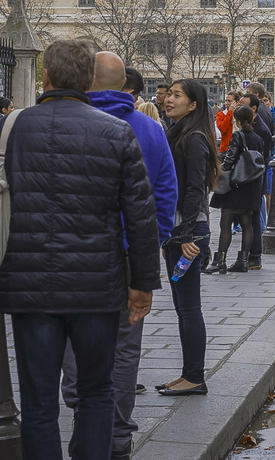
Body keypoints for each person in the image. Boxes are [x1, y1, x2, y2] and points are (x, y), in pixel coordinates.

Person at [0, 39, 161, 459]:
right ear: (89, 80)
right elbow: (141, 214)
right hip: (96, 285)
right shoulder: (116, 131)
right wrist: (142, 283)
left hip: (30, 286)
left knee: (37, 402)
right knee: (95, 390)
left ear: (46, 77)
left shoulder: (16, 128)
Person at [60, 52, 177, 459]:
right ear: (125, 85)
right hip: (131, 257)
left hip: (79, 256)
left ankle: (84, 416)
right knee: (125, 348)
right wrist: (152, 246)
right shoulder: (149, 128)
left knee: (77, 341)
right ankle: (118, 435)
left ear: (88, 82)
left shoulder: (71, 124)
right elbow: (165, 195)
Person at [158, 79, 220, 396]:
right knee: (183, 307)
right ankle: (187, 374)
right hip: (179, 231)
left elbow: (196, 189)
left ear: (193, 104)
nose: (169, 99)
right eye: (169, 94)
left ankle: (195, 376)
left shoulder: (193, 139)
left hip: (188, 233)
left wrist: (186, 235)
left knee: (189, 307)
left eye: (177, 95)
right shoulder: (178, 133)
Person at [206, 105, 265, 273]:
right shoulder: (257, 138)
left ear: (237, 120)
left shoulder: (238, 135)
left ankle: (220, 260)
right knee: (247, 224)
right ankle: (243, 260)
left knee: (225, 222)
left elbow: (231, 158)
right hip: (251, 185)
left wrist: (219, 169)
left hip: (236, 185)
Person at [239, 92, 273, 270]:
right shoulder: (251, 125)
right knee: (248, 218)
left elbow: (260, 158)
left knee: (252, 219)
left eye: (242, 105)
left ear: (253, 108)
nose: (238, 106)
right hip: (250, 178)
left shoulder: (259, 131)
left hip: (252, 179)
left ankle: (253, 256)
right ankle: (247, 255)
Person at [216, 91, 242, 155]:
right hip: (226, 148)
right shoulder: (220, 114)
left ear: (237, 102)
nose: (226, 103)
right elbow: (223, 129)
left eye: (229, 101)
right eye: (226, 101)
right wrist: (230, 112)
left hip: (239, 147)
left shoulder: (241, 113)